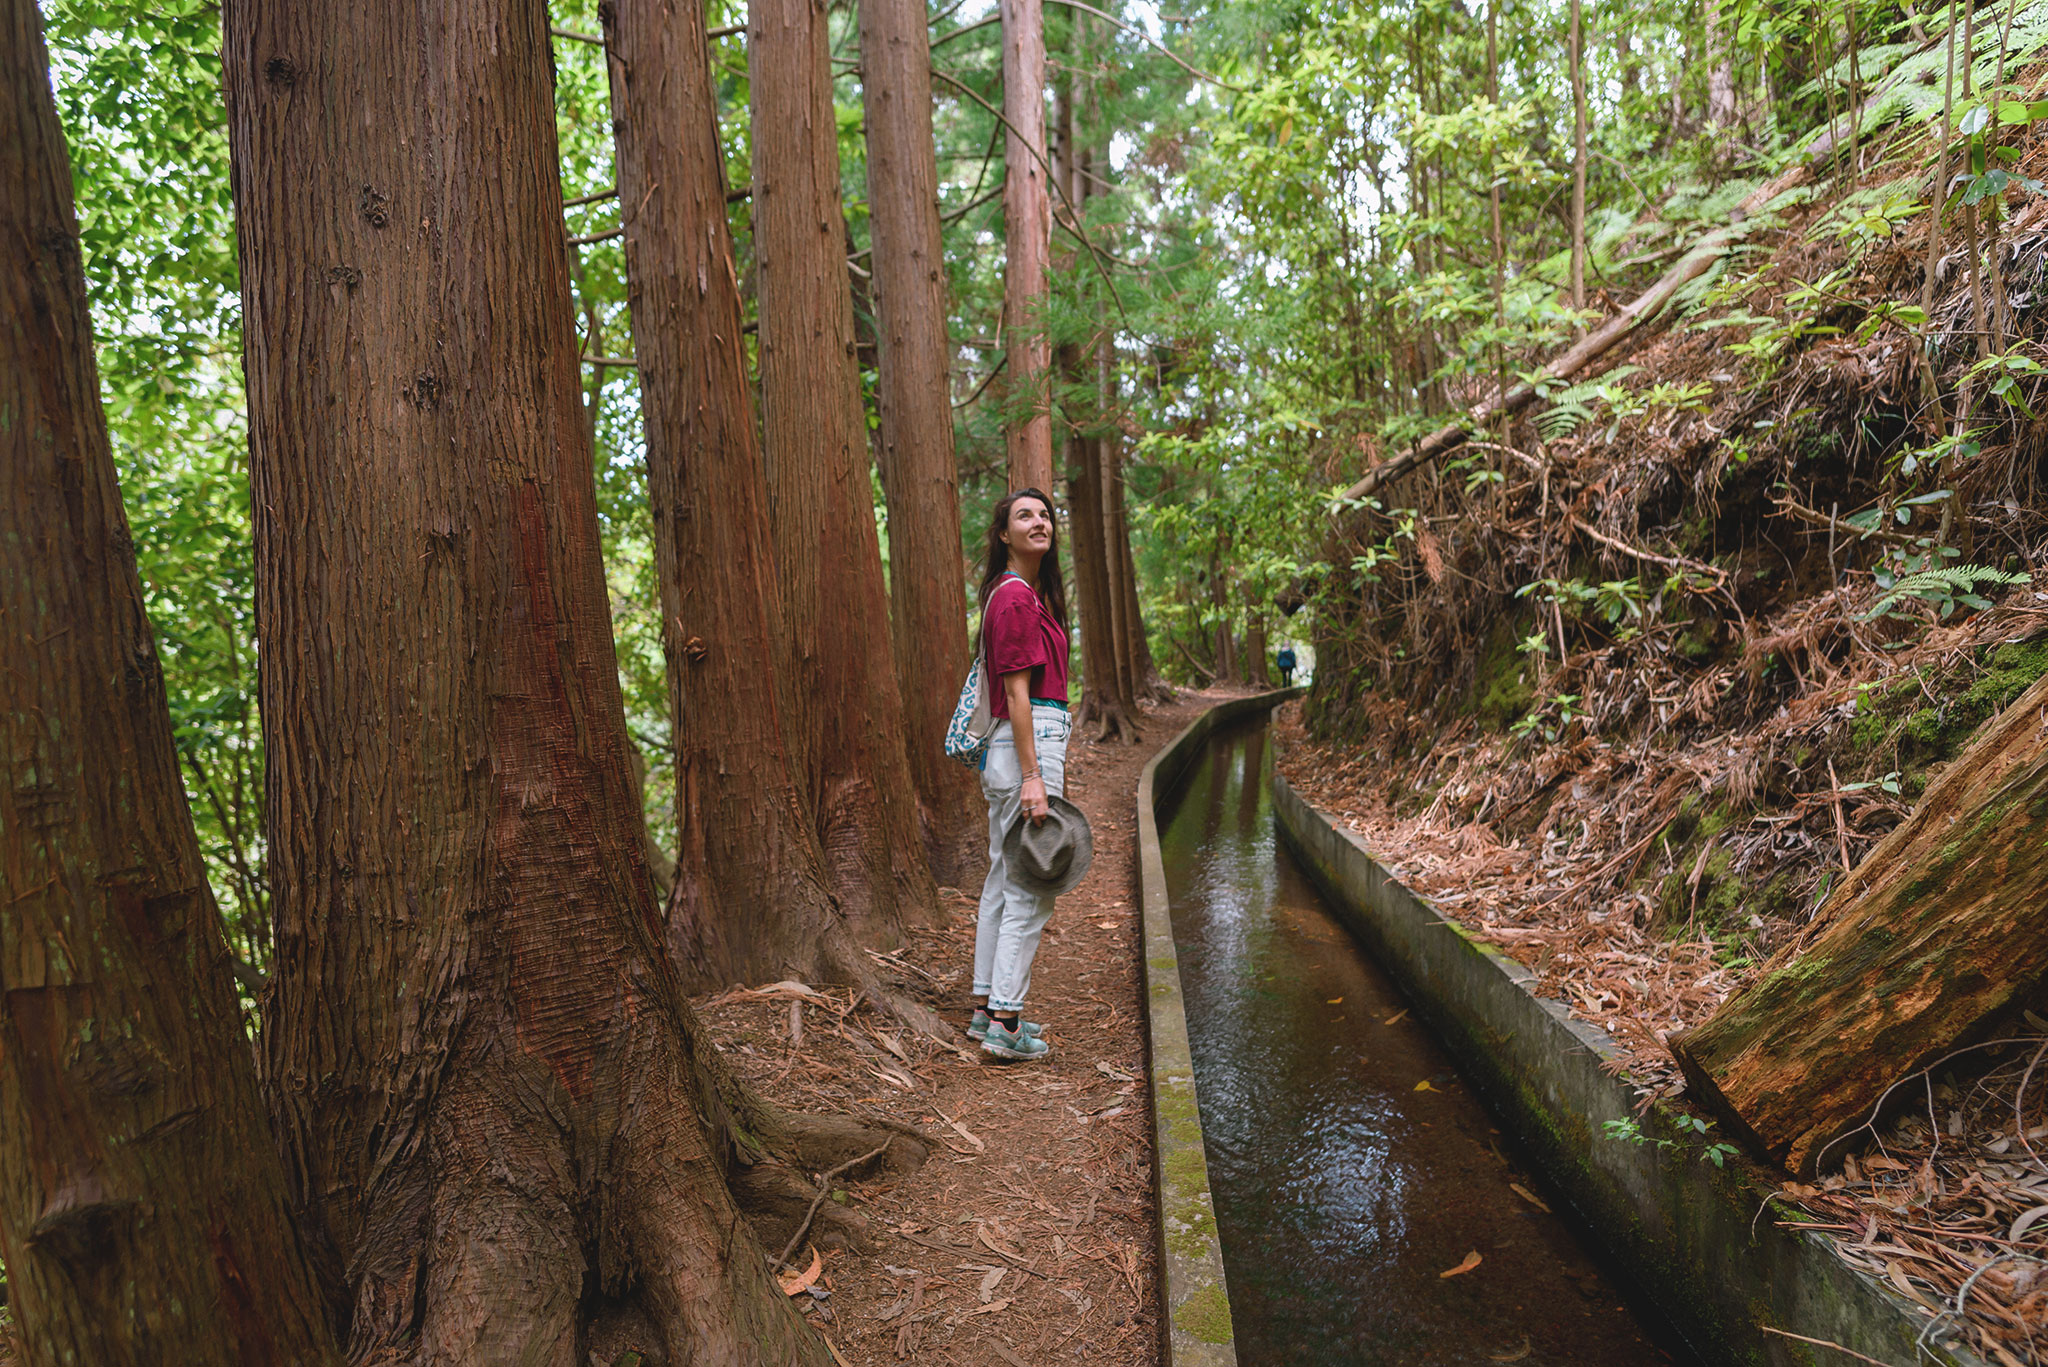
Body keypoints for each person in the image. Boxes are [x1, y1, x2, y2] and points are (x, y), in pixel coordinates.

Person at [967, 488, 1072, 1062]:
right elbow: (1016, 692)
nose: (1039, 522)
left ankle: (987, 1009)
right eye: (1024, 516)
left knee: (1004, 885)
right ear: (1004, 535)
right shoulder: (1013, 600)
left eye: (1045, 515)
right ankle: (1007, 1022)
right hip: (1025, 749)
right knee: (1032, 887)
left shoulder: (1022, 596)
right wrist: (1035, 775)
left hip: (1011, 752)